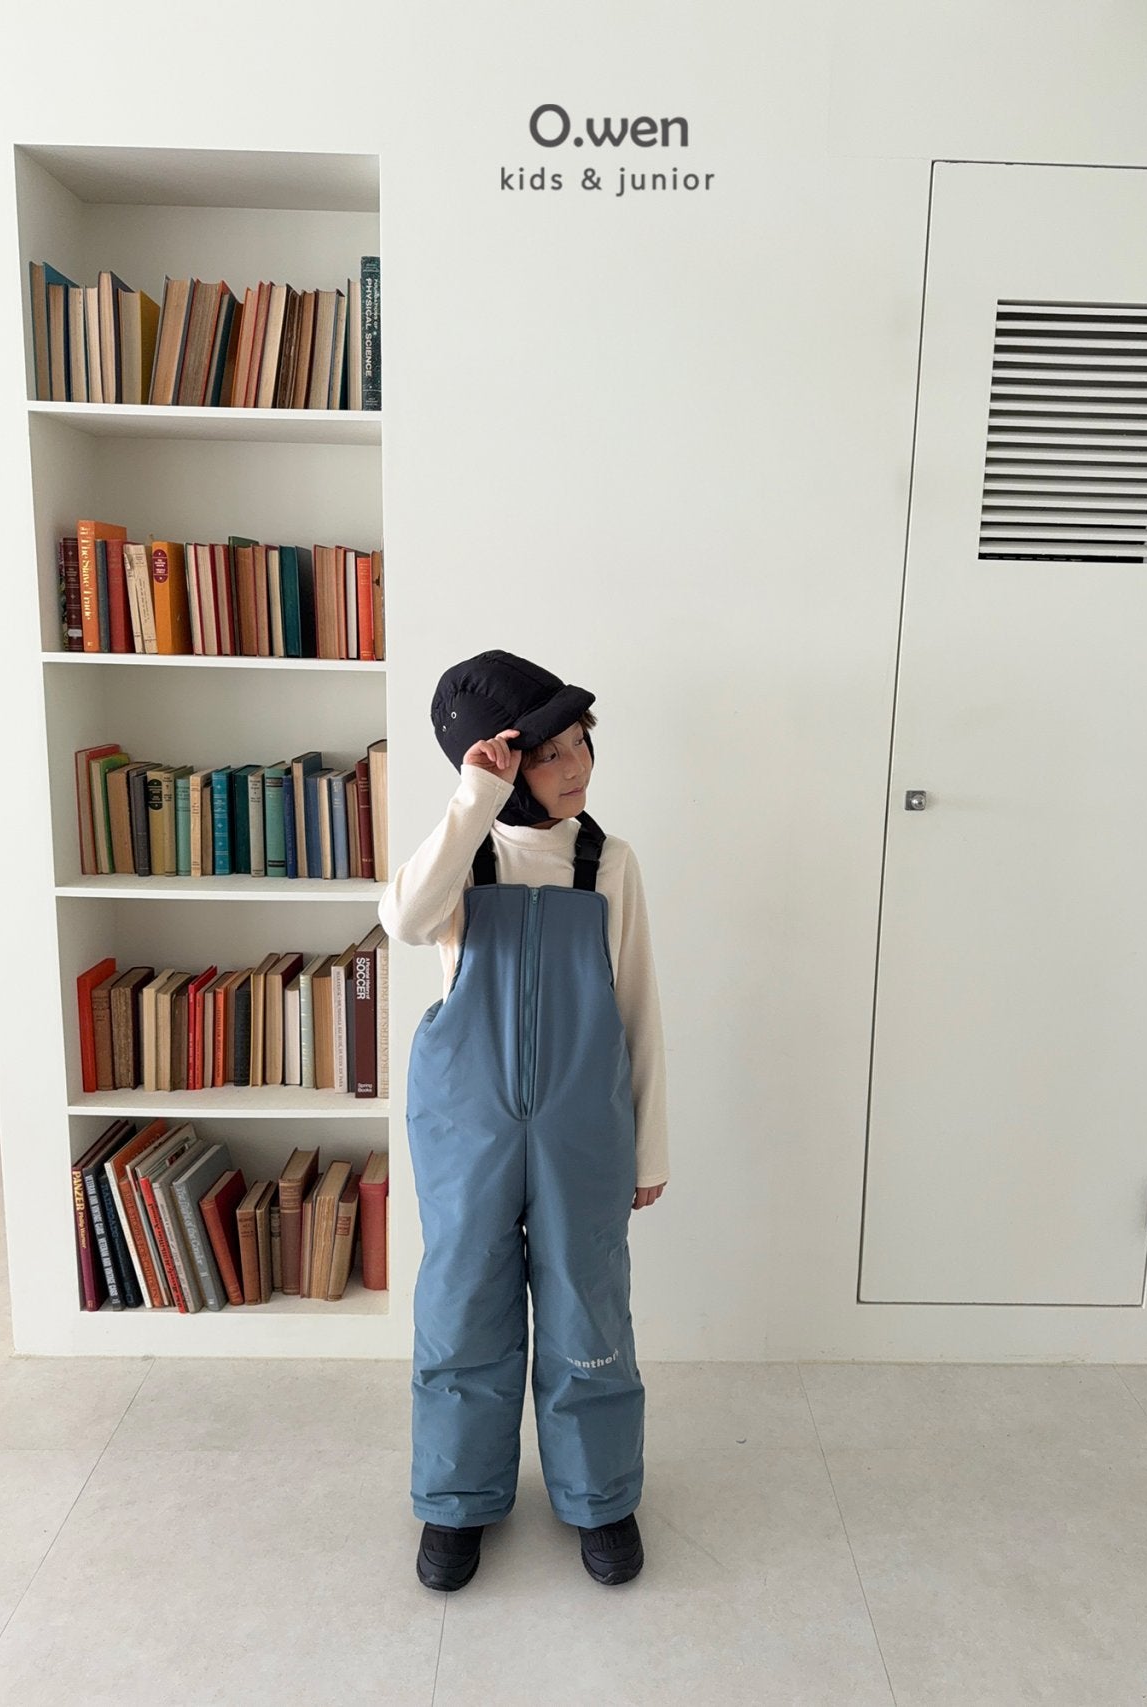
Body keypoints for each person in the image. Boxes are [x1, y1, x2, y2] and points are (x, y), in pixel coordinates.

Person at [377, 649, 669, 1592]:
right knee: (463, 1303)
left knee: (590, 1300)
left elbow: (638, 1007)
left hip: (583, 1121)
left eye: (581, 742)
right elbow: (403, 921)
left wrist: (650, 1146)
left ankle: (600, 1493)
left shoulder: (606, 863)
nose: (576, 765)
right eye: (550, 753)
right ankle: (456, 1497)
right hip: (469, 1121)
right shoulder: (465, 858)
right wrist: (472, 802)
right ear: (499, 763)